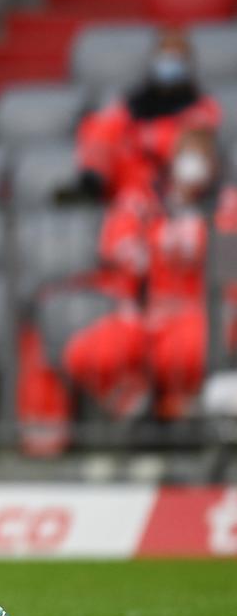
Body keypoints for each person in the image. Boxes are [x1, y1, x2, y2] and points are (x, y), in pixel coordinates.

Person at [63, 127, 236, 421]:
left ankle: (176, 416)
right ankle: (136, 409)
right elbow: (116, 247)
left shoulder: (227, 203)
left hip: (203, 313)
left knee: (186, 354)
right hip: (146, 314)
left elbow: (227, 259)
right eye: (186, 154)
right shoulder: (144, 201)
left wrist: (192, 236)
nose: (192, 163)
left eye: (201, 156)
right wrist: (151, 244)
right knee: (86, 353)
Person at [68, 27, 221, 203]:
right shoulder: (136, 101)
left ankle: (176, 209)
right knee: (97, 125)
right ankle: (90, 185)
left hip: (173, 178)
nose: (169, 64)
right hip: (133, 176)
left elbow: (191, 140)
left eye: (176, 59)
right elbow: (108, 124)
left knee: (193, 152)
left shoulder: (202, 104)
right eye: (165, 57)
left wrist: (145, 138)